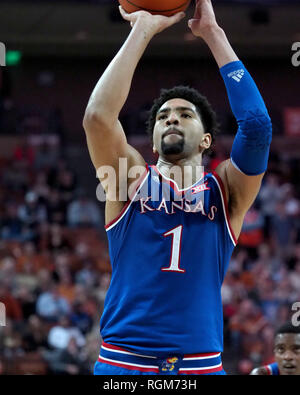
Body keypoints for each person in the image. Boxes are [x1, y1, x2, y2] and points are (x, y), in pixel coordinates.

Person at [83, 0, 272, 375]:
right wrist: (143, 29)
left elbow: (257, 125)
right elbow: (98, 118)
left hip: (200, 366)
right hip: (124, 363)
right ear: (152, 142)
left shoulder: (226, 191)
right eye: (163, 116)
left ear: (205, 140)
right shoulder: (130, 179)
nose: (172, 118)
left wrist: (213, 34)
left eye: (185, 115)